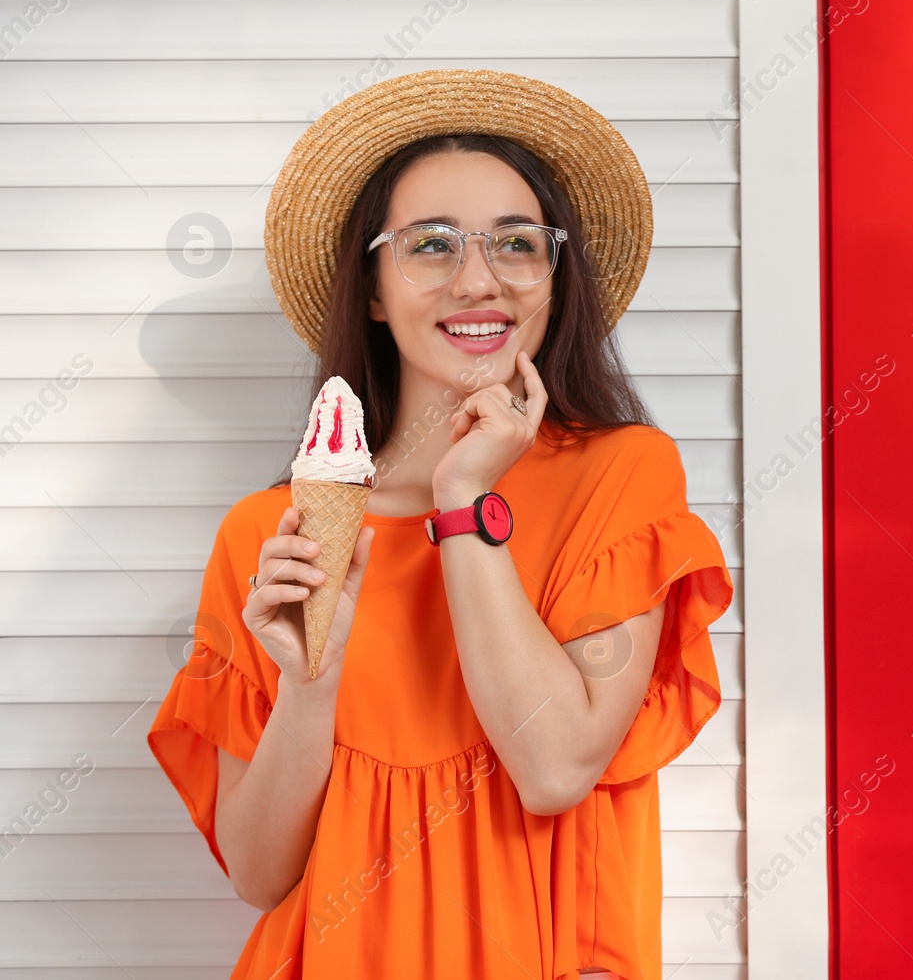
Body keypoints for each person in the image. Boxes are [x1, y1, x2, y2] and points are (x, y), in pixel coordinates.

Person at [147, 70, 734, 979]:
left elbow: (554, 766)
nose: (478, 280)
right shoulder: (275, 534)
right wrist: (312, 678)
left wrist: (463, 501)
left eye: (516, 243)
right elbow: (261, 875)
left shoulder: (622, 475)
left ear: (553, 274)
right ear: (374, 290)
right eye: (429, 245)